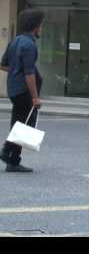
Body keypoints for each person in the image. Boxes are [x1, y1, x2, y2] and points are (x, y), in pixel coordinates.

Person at [0, 9, 44, 172]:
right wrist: (35, 97)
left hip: (13, 89)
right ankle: (6, 152)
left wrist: (16, 69)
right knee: (25, 125)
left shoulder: (15, 41)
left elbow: (3, 64)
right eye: (41, 25)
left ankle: (12, 161)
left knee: (19, 123)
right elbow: (29, 73)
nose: (41, 28)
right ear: (35, 26)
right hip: (25, 91)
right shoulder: (30, 45)